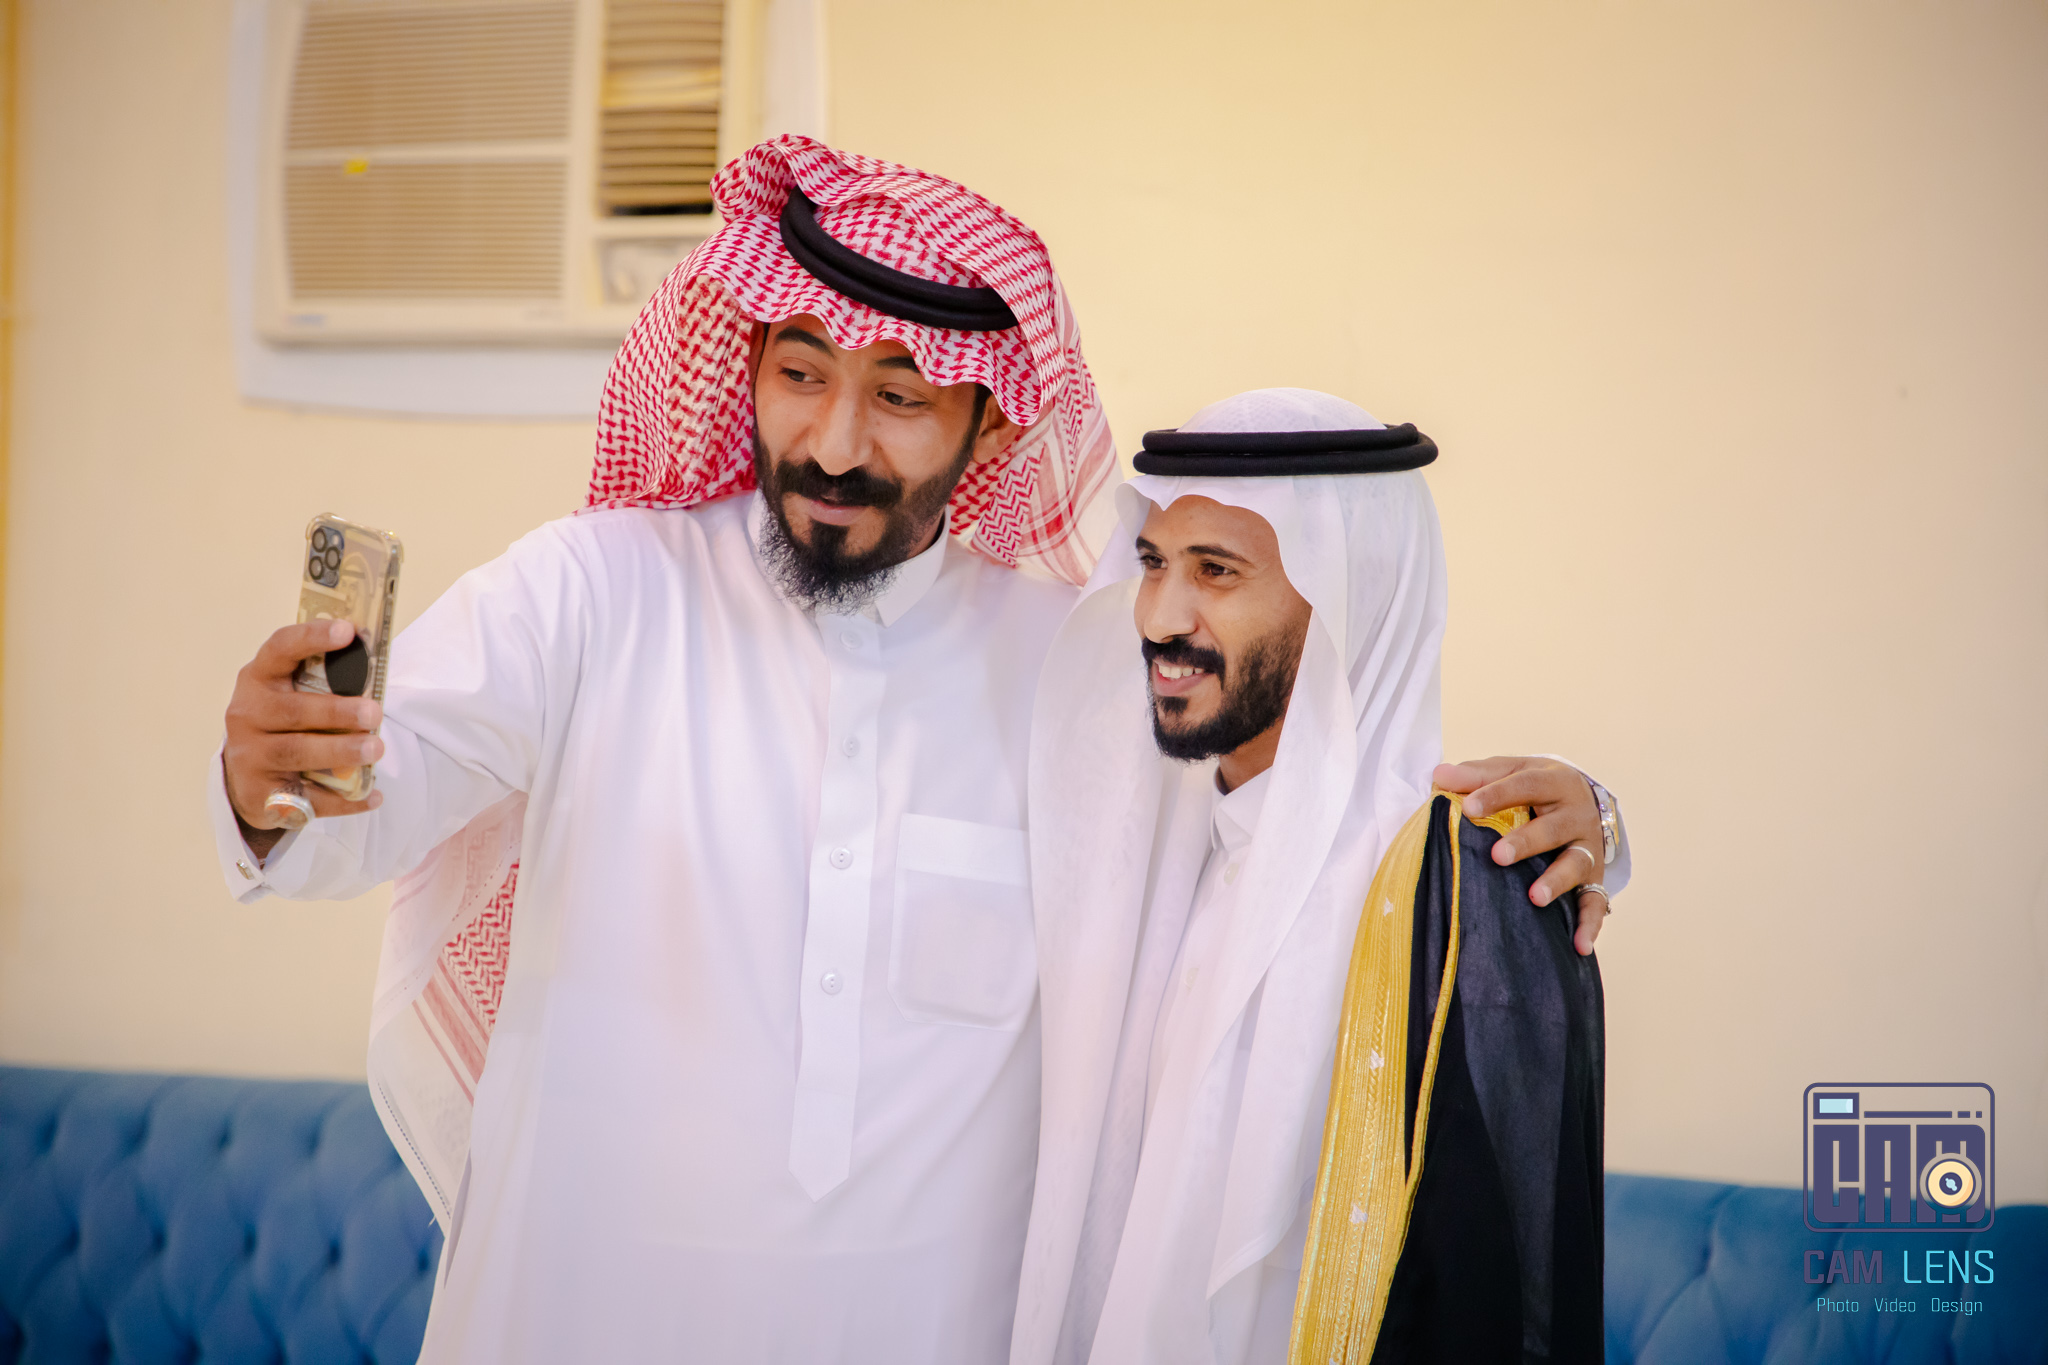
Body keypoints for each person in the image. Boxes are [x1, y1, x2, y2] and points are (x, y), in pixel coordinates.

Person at [213, 139, 1616, 1362]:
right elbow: (372, 793)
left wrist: (1583, 824)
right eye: (798, 374)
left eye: (898, 397)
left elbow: (1291, 848)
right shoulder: (591, 592)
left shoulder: (1078, 668)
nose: (832, 443)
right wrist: (272, 781)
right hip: (579, 1313)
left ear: (989, 418)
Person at [1012, 389, 1611, 1365]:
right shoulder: (1166, 852)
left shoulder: (1456, 894)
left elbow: (1502, 1298)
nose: (1159, 616)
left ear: (1345, 598)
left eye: (1216, 571)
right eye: (1153, 563)